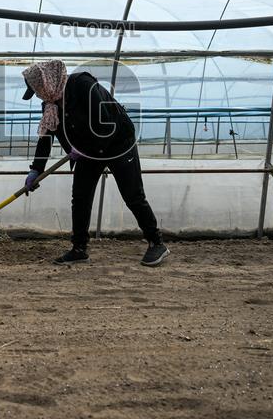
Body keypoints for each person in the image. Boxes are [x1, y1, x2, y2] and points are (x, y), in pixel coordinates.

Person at [21, 60, 169, 267]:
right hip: (86, 152)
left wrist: (83, 148)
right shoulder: (50, 104)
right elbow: (45, 137)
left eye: (37, 90)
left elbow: (105, 121)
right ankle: (79, 249)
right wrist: (36, 169)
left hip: (118, 143)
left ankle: (156, 242)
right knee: (80, 198)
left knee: (132, 195)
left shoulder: (82, 85)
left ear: (47, 81)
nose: (38, 95)